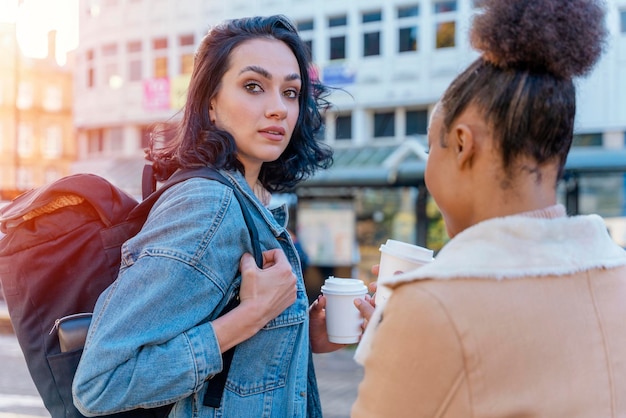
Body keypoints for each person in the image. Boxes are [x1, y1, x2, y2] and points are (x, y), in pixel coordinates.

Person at [352, 0, 626, 416]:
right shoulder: (616, 275)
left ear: (463, 145)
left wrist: (411, 321)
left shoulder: (433, 308)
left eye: (432, 146)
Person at [72, 15, 338, 417]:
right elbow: (100, 384)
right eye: (254, 86)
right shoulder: (208, 205)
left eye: (291, 92)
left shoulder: (247, 202)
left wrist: (307, 334)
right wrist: (254, 315)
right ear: (210, 103)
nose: (278, 109)